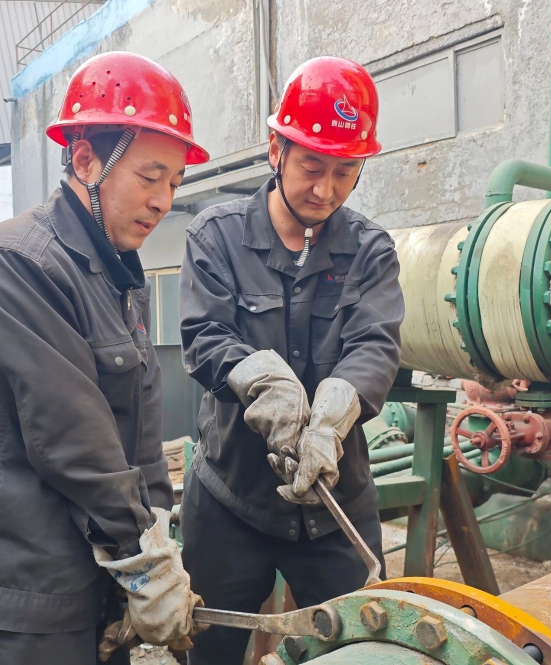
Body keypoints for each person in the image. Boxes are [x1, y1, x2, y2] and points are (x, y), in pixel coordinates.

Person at [0, 51, 210, 664]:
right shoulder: (14, 265)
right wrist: (142, 561)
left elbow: (137, 435)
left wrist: (157, 541)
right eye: (150, 176)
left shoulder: (115, 277)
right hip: (15, 601)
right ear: (84, 161)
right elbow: (74, 438)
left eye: (176, 183)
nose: (164, 200)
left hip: (88, 586)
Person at [178, 56, 405, 664]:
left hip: (335, 503)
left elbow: (375, 344)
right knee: (209, 653)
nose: (326, 190)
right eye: (311, 167)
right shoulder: (216, 237)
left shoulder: (370, 251)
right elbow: (204, 334)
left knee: (361, 650)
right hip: (231, 502)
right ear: (276, 150)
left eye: (344, 172)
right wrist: (259, 380)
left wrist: (334, 414)